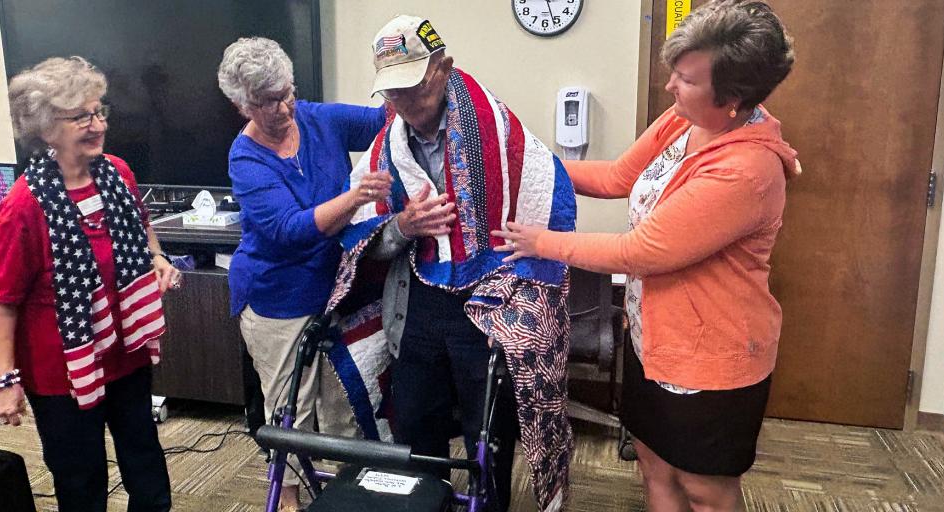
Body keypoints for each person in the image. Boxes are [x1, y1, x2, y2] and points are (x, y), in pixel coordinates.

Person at [493, 1, 798, 510]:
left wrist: (538, 241)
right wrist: (525, 160)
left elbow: (641, 252)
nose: (670, 88)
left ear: (732, 99)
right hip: (652, 337)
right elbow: (616, 178)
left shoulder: (746, 171)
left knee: (705, 489)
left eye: (685, 80)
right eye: (673, 73)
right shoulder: (683, 122)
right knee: (655, 468)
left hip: (709, 360)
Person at [323, 16, 577, 512]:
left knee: (488, 433)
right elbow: (360, 238)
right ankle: (429, 504)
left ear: (443, 69)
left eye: (413, 88)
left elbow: (550, 197)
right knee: (416, 424)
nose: (403, 104)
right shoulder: (385, 149)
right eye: (392, 93)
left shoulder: (498, 132)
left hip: (488, 302)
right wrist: (403, 226)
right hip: (419, 301)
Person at [0, 56, 176, 511]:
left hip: (125, 353)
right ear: (48, 128)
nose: (97, 124)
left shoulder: (117, 173)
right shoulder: (23, 206)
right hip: (61, 374)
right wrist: (3, 381)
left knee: (148, 471)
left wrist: (156, 256)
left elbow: (142, 223)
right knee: (82, 482)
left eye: (99, 111)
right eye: (81, 117)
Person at [216, 36, 390, 512]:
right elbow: (290, 230)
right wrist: (355, 196)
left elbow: (386, 120)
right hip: (276, 297)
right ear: (243, 105)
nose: (285, 105)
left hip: (335, 289)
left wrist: (408, 82)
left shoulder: (317, 117)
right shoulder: (246, 157)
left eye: (287, 91)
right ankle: (288, 500)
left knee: (344, 401)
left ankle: (346, 495)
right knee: (291, 408)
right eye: (269, 100)